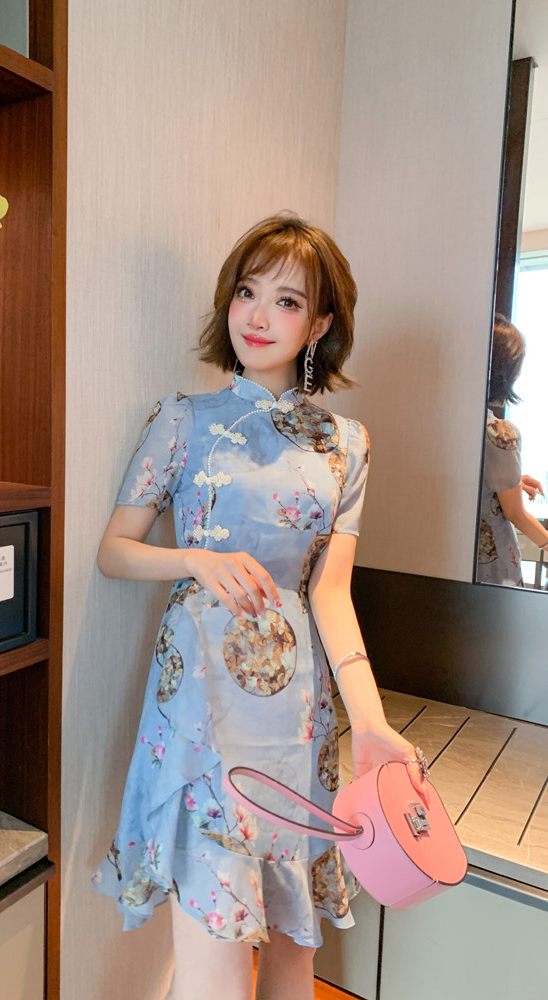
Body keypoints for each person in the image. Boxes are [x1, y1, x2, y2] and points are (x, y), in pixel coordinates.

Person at [92, 214, 424, 1000]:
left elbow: (330, 592)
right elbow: (114, 551)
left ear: (320, 325)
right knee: (214, 958)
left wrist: (371, 721)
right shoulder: (183, 420)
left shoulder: (347, 444)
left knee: (291, 948)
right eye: (248, 292)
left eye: (287, 301)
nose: (258, 316)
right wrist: (193, 560)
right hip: (202, 707)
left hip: (297, 718)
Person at [477, 314, 548, 587]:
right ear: (507, 372)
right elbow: (515, 514)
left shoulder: (459, 423)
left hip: (456, 556)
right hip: (492, 567)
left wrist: (514, 481)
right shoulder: (500, 433)